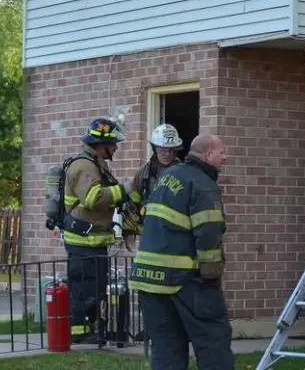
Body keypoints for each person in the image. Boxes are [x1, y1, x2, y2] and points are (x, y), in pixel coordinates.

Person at [128, 134, 234, 370]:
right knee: (213, 341)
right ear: (208, 155)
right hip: (185, 280)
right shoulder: (203, 186)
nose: (225, 158)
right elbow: (208, 233)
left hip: (148, 280)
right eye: (221, 153)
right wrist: (211, 276)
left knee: (167, 347)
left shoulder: (168, 177)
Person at [62, 117, 130, 344]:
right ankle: (78, 334)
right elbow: (93, 198)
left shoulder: (97, 163)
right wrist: (123, 191)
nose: (116, 148)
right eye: (113, 144)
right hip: (83, 243)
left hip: (93, 242)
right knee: (83, 290)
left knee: (94, 289)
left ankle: (90, 330)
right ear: (101, 143)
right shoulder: (84, 166)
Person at [122, 123, 184, 236]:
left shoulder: (184, 173)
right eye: (162, 150)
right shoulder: (145, 173)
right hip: (150, 232)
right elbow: (133, 197)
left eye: (171, 150)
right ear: (154, 148)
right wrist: (133, 227)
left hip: (176, 233)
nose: (167, 154)